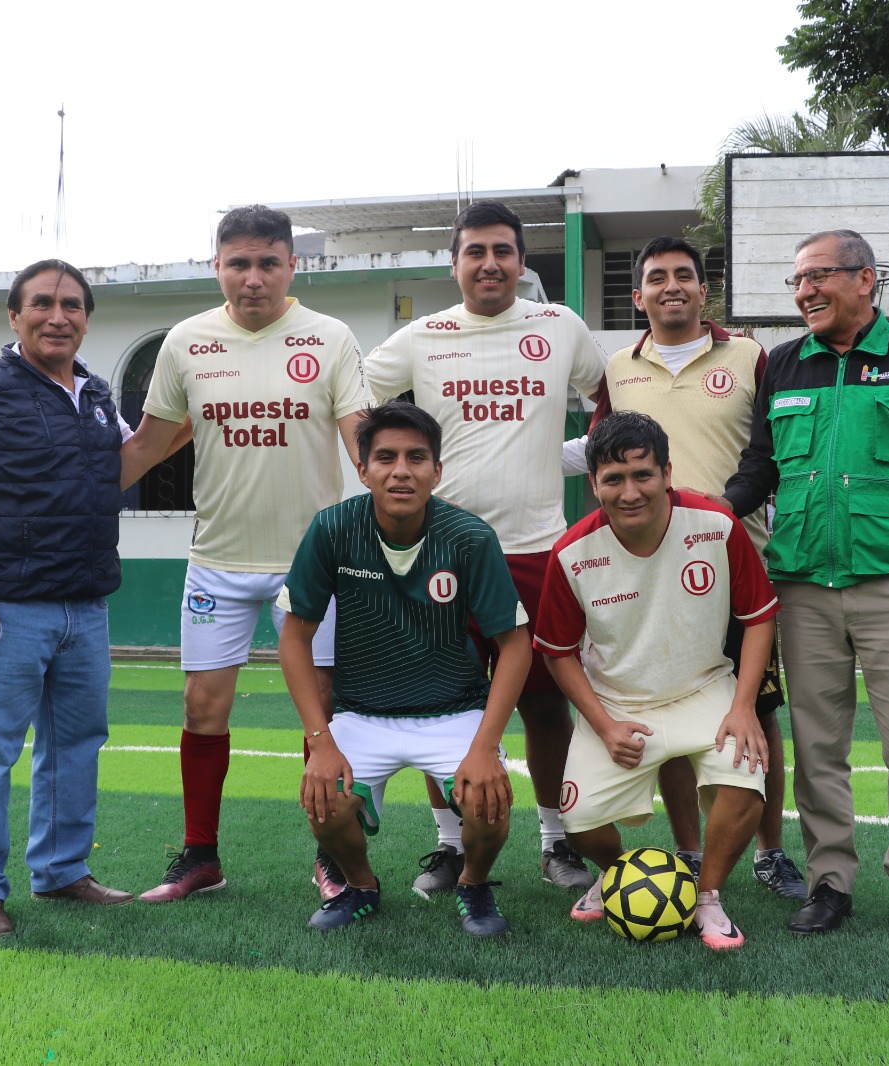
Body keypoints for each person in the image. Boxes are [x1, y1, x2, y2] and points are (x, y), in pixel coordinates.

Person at [720, 229, 889, 944]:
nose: (804, 291)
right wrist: (704, 511)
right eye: (797, 281)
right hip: (803, 589)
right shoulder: (782, 366)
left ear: (866, 279)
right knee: (817, 751)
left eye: (818, 277)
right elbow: (761, 471)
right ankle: (830, 884)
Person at [119, 205, 371, 903]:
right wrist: (64, 503)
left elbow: (361, 439)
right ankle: (202, 856)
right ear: (218, 267)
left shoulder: (330, 338)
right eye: (238, 263)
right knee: (203, 708)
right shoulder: (187, 342)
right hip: (218, 561)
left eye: (267, 263)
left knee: (319, 712)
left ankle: (332, 854)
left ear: (293, 265)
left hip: (314, 564)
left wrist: (397, 510)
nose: (253, 278)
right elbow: (145, 445)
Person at [365, 199, 608, 897]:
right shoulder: (423, 336)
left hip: (537, 550)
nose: (490, 263)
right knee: (444, 706)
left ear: (522, 263)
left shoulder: (559, 326)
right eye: (475, 251)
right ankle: (447, 846)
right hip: (442, 552)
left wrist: (579, 462)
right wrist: (382, 479)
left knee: (543, 703)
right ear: (455, 264)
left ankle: (556, 841)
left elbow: (606, 398)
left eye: (503, 251)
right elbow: (354, 398)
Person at [562, 235, 805, 899]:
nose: (672, 286)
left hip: (734, 565)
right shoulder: (618, 368)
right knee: (665, 703)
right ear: (637, 295)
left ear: (703, 290)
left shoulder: (752, 357)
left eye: (684, 276)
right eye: (656, 278)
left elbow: (774, 451)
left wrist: (721, 516)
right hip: (641, 574)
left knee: (757, 709)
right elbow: (599, 451)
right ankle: (690, 851)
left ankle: (771, 849)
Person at [0, 260, 141, 939]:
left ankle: (62, 871)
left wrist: (201, 406)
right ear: (14, 316)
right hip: (5, 611)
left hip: (87, 608)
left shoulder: (99, 397)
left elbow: (129, 462)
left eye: (73, 304)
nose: (59, 315)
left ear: (86, 317)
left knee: (76, 745)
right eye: (43, 303)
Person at [279, 401, 530, 936]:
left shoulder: (468, 537)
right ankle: (361, 885)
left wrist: (486, 745)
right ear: (363, 468)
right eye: (386, 457)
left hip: (455, 709)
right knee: (324, 801)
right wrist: (320, 741)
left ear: (436, 471)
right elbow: (295, 638)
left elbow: (515, 645)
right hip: (363, 712)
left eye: (417, 458)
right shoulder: (333, 529)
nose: (401, 470)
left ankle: (474, 883)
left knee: (488, 801)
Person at [537, 412, 779, 950]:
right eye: (613, 479)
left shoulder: (717, 524)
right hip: (618, 702)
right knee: (575, 820)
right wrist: (602, 726)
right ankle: (622, 877)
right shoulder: (571, 552)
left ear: (667, 472)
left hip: (703, 689)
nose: (630, 492)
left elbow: (759, 616)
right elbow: (557, 653)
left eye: (642, 475)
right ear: (593, 482)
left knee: (746, 786)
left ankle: (708, 897)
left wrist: (742, 708)